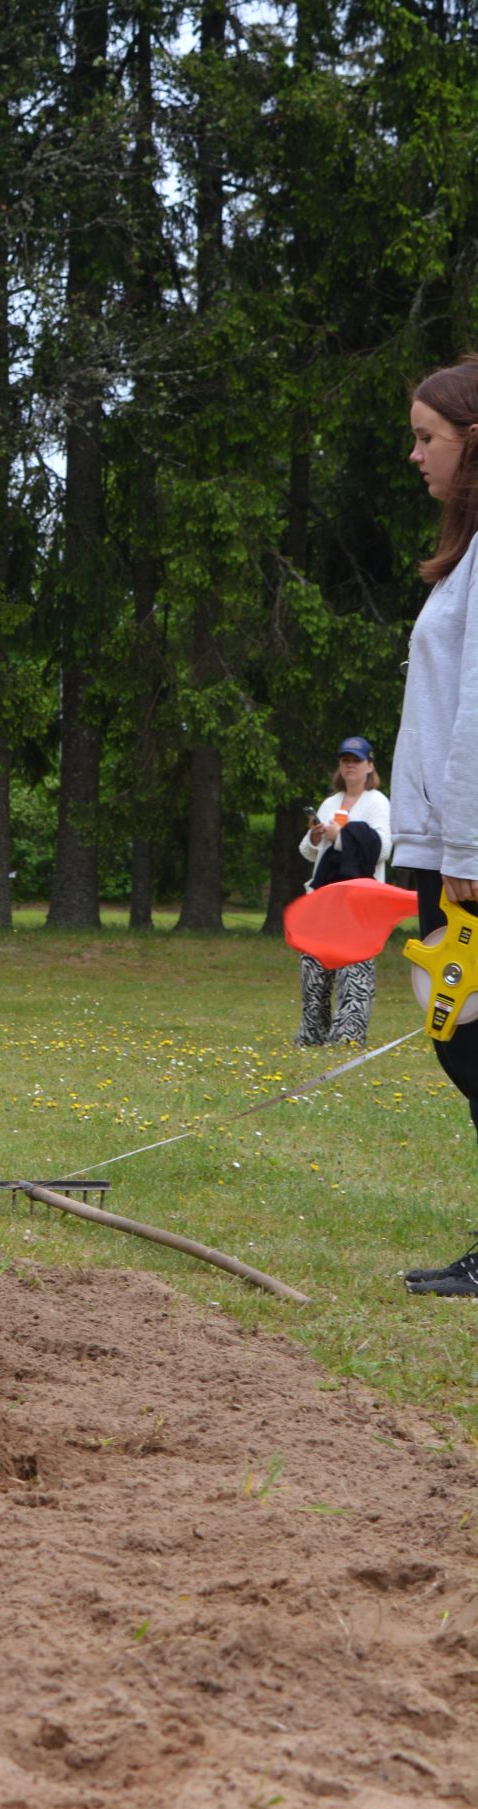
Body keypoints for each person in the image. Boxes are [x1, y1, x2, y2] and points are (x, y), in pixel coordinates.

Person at [394, 357, 478, 1296]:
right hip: (446, 846)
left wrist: (464, 849)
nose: (416, 455)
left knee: (469, 1043)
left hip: (466, 856)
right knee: (463, 1042)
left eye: (428, 438)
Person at [294, 736, 392, 1049]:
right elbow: (310, 852)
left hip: (360, 899)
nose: (350, 765)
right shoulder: (330, 803)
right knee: (314, 965)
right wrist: (316, 836)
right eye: (345, 760)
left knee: (354, 967)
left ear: (370, 766)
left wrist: (342, 835)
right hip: (325, 897)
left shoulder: (377, 802)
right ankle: (313, 1033)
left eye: (357, 760)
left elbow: (382, 848)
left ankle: (348, 1035)